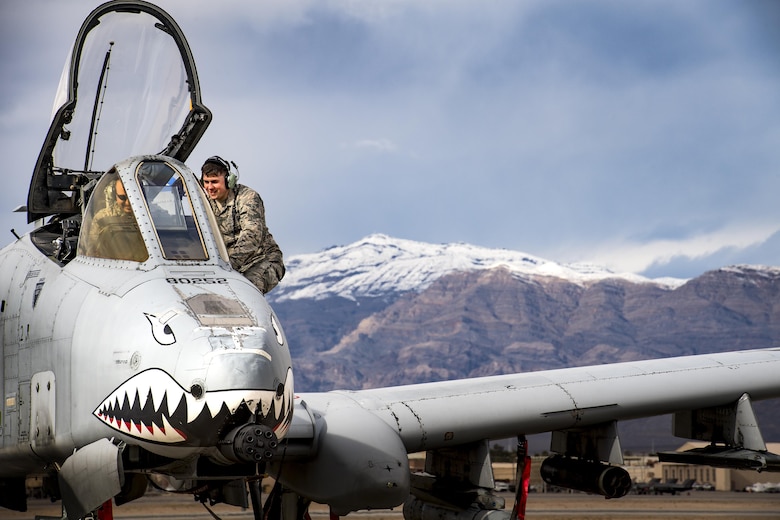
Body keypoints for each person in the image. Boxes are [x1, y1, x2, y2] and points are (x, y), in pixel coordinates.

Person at [200, 156, 285, 294]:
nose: (210, 188)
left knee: (245, 291)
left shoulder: (248, 198)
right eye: (206, 182)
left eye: (214, 182)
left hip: (261, 260)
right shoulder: (203, 202)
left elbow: (252, 236)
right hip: (228, 265)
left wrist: (226, 265)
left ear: (229, 181)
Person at [81, 175, 148, 262]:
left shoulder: (149, 217)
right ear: (113, 195)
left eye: (132, 197)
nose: (128, 203)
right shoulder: (102, 218)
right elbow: (91, 252)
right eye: (123, 197)